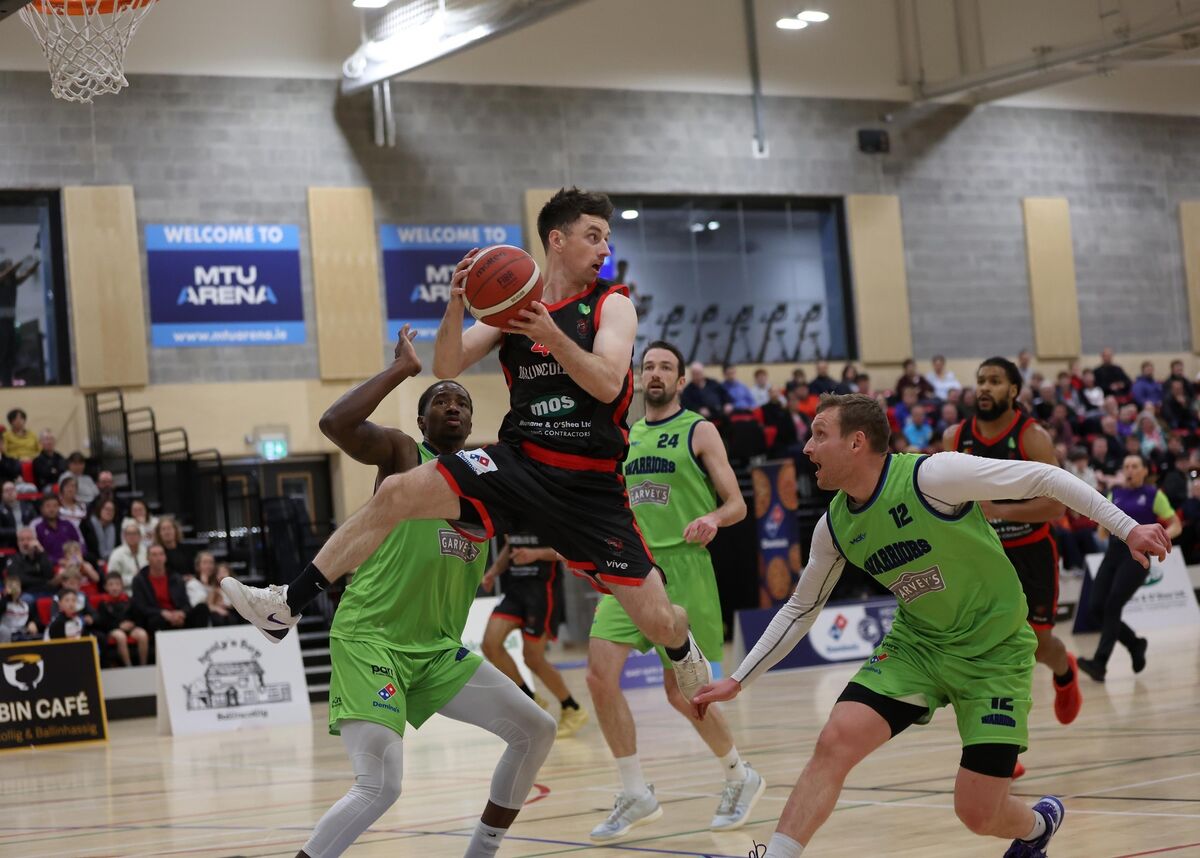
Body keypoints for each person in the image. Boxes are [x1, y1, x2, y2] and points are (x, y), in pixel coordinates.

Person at [222, 187, 714, 711]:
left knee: (660, 621)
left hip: (589, 486)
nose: (604, 249)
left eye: (606, 239)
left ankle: (683, 649)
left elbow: (609, 383)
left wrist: (553, 334)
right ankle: (287, 604)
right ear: (557, 239)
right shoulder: (514, 307)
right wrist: (457, 304)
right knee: (395, 492)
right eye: (593, 236)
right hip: (519, 463)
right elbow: (447, 365)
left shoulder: (611, 304)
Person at [692, 393, 1169, 858]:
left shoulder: (933, 475)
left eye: (819, 435)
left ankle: (1040, 824)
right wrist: (738, 679)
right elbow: (801, 607)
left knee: (978, 813)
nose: (807, 448)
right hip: (917, 647)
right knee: (835, 739)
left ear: (857, 442)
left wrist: (1128, 528)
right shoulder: (833, 526)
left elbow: (1046, 477)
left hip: (994, 652)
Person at [273, 324, 555, 858]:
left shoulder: (491, 482)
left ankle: (481, 853)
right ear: (423, 420)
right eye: (441, 399)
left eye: (462, 401)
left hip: (436, 652)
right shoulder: (405, 456)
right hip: (371, 639)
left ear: (472, 421)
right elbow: (335, 423)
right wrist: (402, 370)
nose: (453, 405)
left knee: (536, 730)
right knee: (381, 785)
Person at [587, 340, 761, 841]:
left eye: (666, 367)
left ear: (681, 381)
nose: (656, 373)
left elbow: (736, 505)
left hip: (686, 570)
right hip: (632, 570)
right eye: (649, 367)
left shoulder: (699, 430)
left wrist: (711, 516)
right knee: (600, 677)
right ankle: (635, 789)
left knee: (686, 693)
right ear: (638, 379)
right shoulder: (624, 436)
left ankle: (739, 775)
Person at [948, 358, 1083, 763]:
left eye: (994, 381)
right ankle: (998, 749)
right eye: (980, 381)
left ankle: (1065, 669)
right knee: (985, 651)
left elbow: (1059, 506)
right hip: (983, 558)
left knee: (1038, 646)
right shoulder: (955, 436)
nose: (984, 388)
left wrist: (1000, 510)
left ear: (1014, 391)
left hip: (1030, 552)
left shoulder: (1032, 437)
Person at [1077, 454, 1181, 682]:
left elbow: (1176, 524)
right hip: (1113, 554)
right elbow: (1102, 532)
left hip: (1137, 557)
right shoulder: (1115, 494)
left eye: (1135, 466)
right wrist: (1103, 529)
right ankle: (1135, 644)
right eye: (1126, 467)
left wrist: (1160, 540)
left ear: (1145, 471)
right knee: (1096, 608)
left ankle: (1100, 663)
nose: (1130, 470)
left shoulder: (1154, 494)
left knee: (1113, 604)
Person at [480, 530, 587, 736]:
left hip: (541, 592)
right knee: (490, 645)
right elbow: (509, 547)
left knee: (533, 658)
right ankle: (529, 699)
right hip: (515, 591)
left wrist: (536, 554)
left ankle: (572, 707)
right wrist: (494, 571)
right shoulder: (510, 511)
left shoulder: (545, 508)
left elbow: (565, 549)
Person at [130, 543, 210, 633]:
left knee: (202, 608)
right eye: (154, 555)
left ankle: (200, 642)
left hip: (177, 615)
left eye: (161, 554)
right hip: (157, 617)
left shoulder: (175, 577)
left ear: (165, 557)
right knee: (156, 620)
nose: (158, 558)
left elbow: (185, 603)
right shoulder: (140, 580)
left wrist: (182, 613)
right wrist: (162, 613)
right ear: (147, 558)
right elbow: (141, 606)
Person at [94, 571, 149, 666]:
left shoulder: (129, 600)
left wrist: (133, 624)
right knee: (121, 636)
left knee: (142, 634)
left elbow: (139, 617)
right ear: (105, 587)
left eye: (117, 584)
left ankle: (143, 664)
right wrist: (118, 626)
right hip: (112, 630)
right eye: (111, 585)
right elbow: (103, 623)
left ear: (122, 586)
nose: (114, 588)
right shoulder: (103, 604)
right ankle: (128, 665)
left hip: (130, 628)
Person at [32, 494, 84, 566]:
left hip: (73, 563)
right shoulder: (38, 528)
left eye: (55, 506)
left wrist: (77, 557)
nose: (52, 509)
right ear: (42, 509)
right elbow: (39, 552)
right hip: (51, 566)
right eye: (48, 506)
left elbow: (79, 544)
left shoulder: (68, 525)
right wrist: (57, 561)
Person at [6, 527, 54, 604]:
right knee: (26, 599)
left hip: (46, 592)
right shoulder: (13, 559)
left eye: (29, 539)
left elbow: (50, 574)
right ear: (18, 543)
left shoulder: (41, 556)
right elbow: (18, 579)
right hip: (26, 593)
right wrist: (43, 581)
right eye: (22, 540)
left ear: (36, 541)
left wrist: (41, 551)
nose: (25, 543)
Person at [107, 522, 147, 593]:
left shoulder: (146, 551)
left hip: (146, 590)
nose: (132, 536)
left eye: (135, 533)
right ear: (124, 537)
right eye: (129, 534)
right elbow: (112, 580)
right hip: (126, 593)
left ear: (140, 536)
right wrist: (135, 578)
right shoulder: (117, 554)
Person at [0, 576, 38, 642]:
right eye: (11, 586)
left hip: (23, 635)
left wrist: (32, 622)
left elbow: (32, 618)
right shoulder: (4, 603)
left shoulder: (25, 605)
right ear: (5, 589)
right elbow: (1, 608)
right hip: (9, 636)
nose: (15, 589)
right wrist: (8, 596)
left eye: (17, 586)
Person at [0, 480, 35, 550]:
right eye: (6, 490)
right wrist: (17, 532)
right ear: (2, 494)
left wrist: (27, 533)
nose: (10, 492)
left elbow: (35, 523)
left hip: (29, 540)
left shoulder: (28, 507)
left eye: (12, 489)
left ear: (16, 491)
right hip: (10, 543)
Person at [82, 498, 119, 563]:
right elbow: (85, 550)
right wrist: (96, 561)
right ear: (99, 509)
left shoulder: (115, 528)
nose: (109, 512)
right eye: (107, 509)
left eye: (112, 510)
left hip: (111, 561)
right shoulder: (87, 525)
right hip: (92, 562)